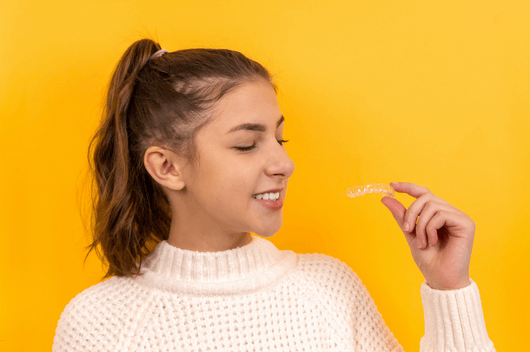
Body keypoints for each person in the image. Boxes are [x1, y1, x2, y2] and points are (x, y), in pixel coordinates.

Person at [52, 38, 496, 351]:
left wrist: (449, 289)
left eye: (279, 141)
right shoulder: (99, 323)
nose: (284, 164)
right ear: (167, 167)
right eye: (247, 144)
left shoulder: (329, 289)